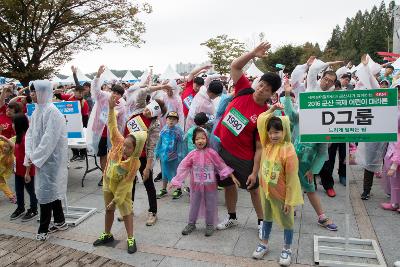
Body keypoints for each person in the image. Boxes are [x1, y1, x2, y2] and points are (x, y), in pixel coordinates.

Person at [214, 42, 282, 238]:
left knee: (253, 189)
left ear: (272, 94)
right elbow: (235, 66)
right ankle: (232, 217)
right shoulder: (244, 88)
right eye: (261, 84)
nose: (261, 90)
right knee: (227, 185)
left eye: (267, 89)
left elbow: (260, 147)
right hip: (223, 150)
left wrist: (254, 171)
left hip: (244, 158)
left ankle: (262, 222)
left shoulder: (264, 114)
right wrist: (252, 54)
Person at [93, 96, 147, 254]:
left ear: (135, 149)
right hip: (108, 184)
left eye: (128, 147)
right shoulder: (118, 142)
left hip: (122, 191)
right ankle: (107, 234)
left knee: (126, 211)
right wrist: (110, 109)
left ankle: (131, 238)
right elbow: (111, 125)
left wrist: (116, 200)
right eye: (124, 145)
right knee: (108, 210)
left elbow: (125, 186)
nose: (124, 148)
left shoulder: (134, 163)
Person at [252, 104, 303, 266]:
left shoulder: (288, 150)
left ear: (285, 131)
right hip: (266, 191)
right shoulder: (267, 144)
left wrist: (289, 200)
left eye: (277, 132)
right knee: (266, 218)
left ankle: (287, 248)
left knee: (287, 221)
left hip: (282, 194)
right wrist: (272, 109)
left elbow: (293, 178)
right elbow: (261, 120)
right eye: (271, 132)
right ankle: (264, 243)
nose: (273, 135)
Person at [283, 79, 337, 231]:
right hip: (291, 159)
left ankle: (322, 216)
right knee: (290, 185)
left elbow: (322, 154)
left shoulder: (323, 130)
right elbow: (289, 113)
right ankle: (290, 208)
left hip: (307, 165)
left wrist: (312, 171)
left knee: (310, 188)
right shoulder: (301, 118)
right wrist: (287, 94)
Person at [169, 127, 238, 236]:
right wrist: (176, 181)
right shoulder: (192, 154)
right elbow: (183, 167)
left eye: (202, 138)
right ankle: (191, 224)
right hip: (195, 186)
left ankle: (210, 225)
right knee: (194, 204)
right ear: (194, 141)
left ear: (207, 139)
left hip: (210, 187)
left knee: (211, 205)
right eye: (197, 139)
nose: (200, 141)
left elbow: (221, 165)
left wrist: (231, 176)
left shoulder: (212, 153)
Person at [25, 80, 68, 241]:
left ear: (42, 92)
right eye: (31, 92)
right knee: (51, 190)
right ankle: (60, 221)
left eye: (34, 91)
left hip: (51, 160)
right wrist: (30, 154)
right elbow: (30, 134)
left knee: (45, 192)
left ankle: (43, 228)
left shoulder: (52, 112)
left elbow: (49, 139)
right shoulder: (37, 111)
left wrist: (34, 157)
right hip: (41, 158)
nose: (31, 95)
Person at [124, 83, 168, 226]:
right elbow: (142, 92)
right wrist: (160, 86)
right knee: (129, 183)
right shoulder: (139, 109)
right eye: (149, 109)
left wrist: (148, 167)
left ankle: (153, 212)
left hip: (142, 156)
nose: (147, 112)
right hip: (127, 153)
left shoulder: (154, 125)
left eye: (151, 112)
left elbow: (151, 147)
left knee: (148, 183)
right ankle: (128, 209)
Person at [86, 65, 127, 187]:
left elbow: (117, 117)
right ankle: (104, 176)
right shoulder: (103, 96)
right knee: (102, 154)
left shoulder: (121, 105)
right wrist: (98, 76)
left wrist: (111, 107)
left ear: (121, 95)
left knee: (115, 155)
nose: (115, 95)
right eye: (114, 92)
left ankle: (116, 175)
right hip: (100, 132)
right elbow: (95, 90)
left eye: (118, 93)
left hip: (113, 134)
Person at [355, 55, 388, 200]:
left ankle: (392, 192)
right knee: (370, 163)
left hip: (388, 137)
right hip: (372, 133)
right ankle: (366, 190)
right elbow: (371, 83)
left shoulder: (386, 96)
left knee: (390, 164)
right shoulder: (369, 92)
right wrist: (366, 68)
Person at [9, 114, 38, 221]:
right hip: (18, 170)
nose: (12, 125)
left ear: (19, 124)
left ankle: (34, 210)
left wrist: (27, 172)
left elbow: (29, 156)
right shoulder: (19, 135)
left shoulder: (27, 138)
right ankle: (20, 208)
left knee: (31, 191)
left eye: (13, 123)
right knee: (18, 190)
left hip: (27, 170)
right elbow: (17, 152)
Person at [54, 84, 89, 161]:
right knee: (71, 138)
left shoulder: (84, 103)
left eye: (82, 93)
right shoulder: (69, 97)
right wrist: (56, 92)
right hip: (70, 123)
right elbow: (60, 96)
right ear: (74, 92)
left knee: (81, 139)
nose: (80, 94)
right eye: (79, 92)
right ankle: (75, 154)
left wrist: (84, 127)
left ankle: (83, 154)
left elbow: (85, 116)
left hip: (81, 123)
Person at [155, 111, 184, 199]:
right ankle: (164, 189)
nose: (171, 121)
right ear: (166, 120)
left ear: (177, 121)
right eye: (169, 119)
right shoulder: (164, 130)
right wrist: (157, 152)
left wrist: (180, 155)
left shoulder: (178, 131)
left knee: (175, 173)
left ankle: (178, 189)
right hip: (164, 156)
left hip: (174, 157)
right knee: (164, 173)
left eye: (174, 119)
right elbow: (159, 142)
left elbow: (180, 144)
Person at [380, 106, 400, 212]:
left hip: (395, 158)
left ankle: (395, 203)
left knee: (395, 182)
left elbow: (398, 149)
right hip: (391, 153)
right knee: (394, 182)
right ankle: (395, 203)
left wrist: (394, 165)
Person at [0, 134, 16, 203]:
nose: (4, 148)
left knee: (2, 184)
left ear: (10, 149)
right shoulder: (2, 146)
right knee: (2, 184)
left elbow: (13, 145)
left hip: (2, 172)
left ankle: (11, 196)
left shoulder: (10, 157)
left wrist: (5, 138)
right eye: (3, 146)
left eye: (6, 147)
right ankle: (11, 196)